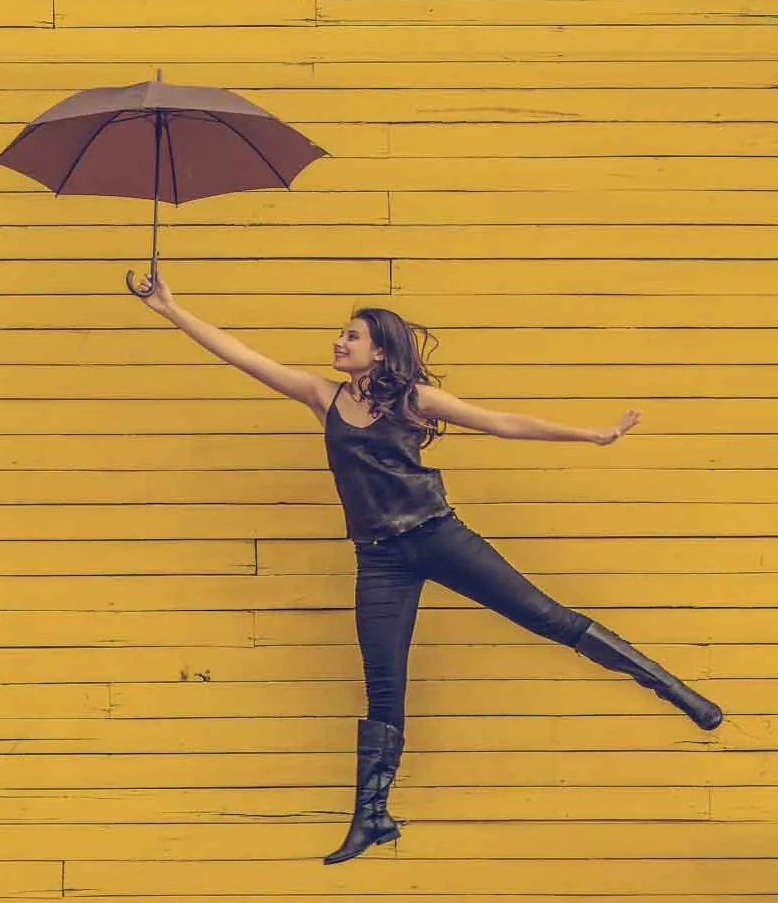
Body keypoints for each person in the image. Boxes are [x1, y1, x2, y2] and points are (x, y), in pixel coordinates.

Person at [130, 272, 725, 865]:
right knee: (383, 684)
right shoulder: (323, 396)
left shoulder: (414, 399)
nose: (339, 343)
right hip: (379, 559)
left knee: (546, 617)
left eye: (351, 336)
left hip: (439, 537)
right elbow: (241, 355)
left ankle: (674, 690)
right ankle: (372, 816)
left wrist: (590, 435)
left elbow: (500, 422)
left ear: (379, 350)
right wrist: (170, 309)